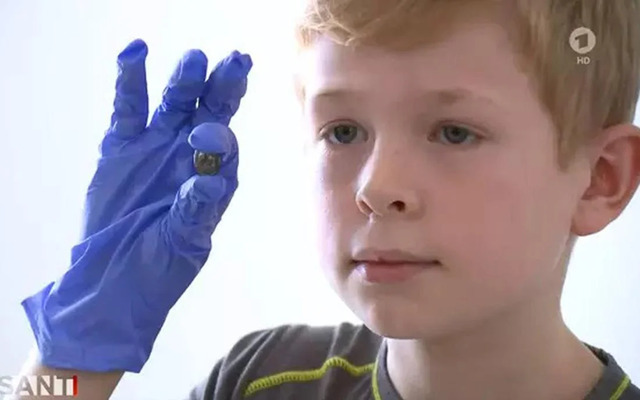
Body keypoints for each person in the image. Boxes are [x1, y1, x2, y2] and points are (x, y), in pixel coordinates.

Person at [13, 0, 640, 399]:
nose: (376, 187)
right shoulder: (262, 380)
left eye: (454, 132)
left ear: (599, 178)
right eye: (343, 132)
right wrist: (70, 361)